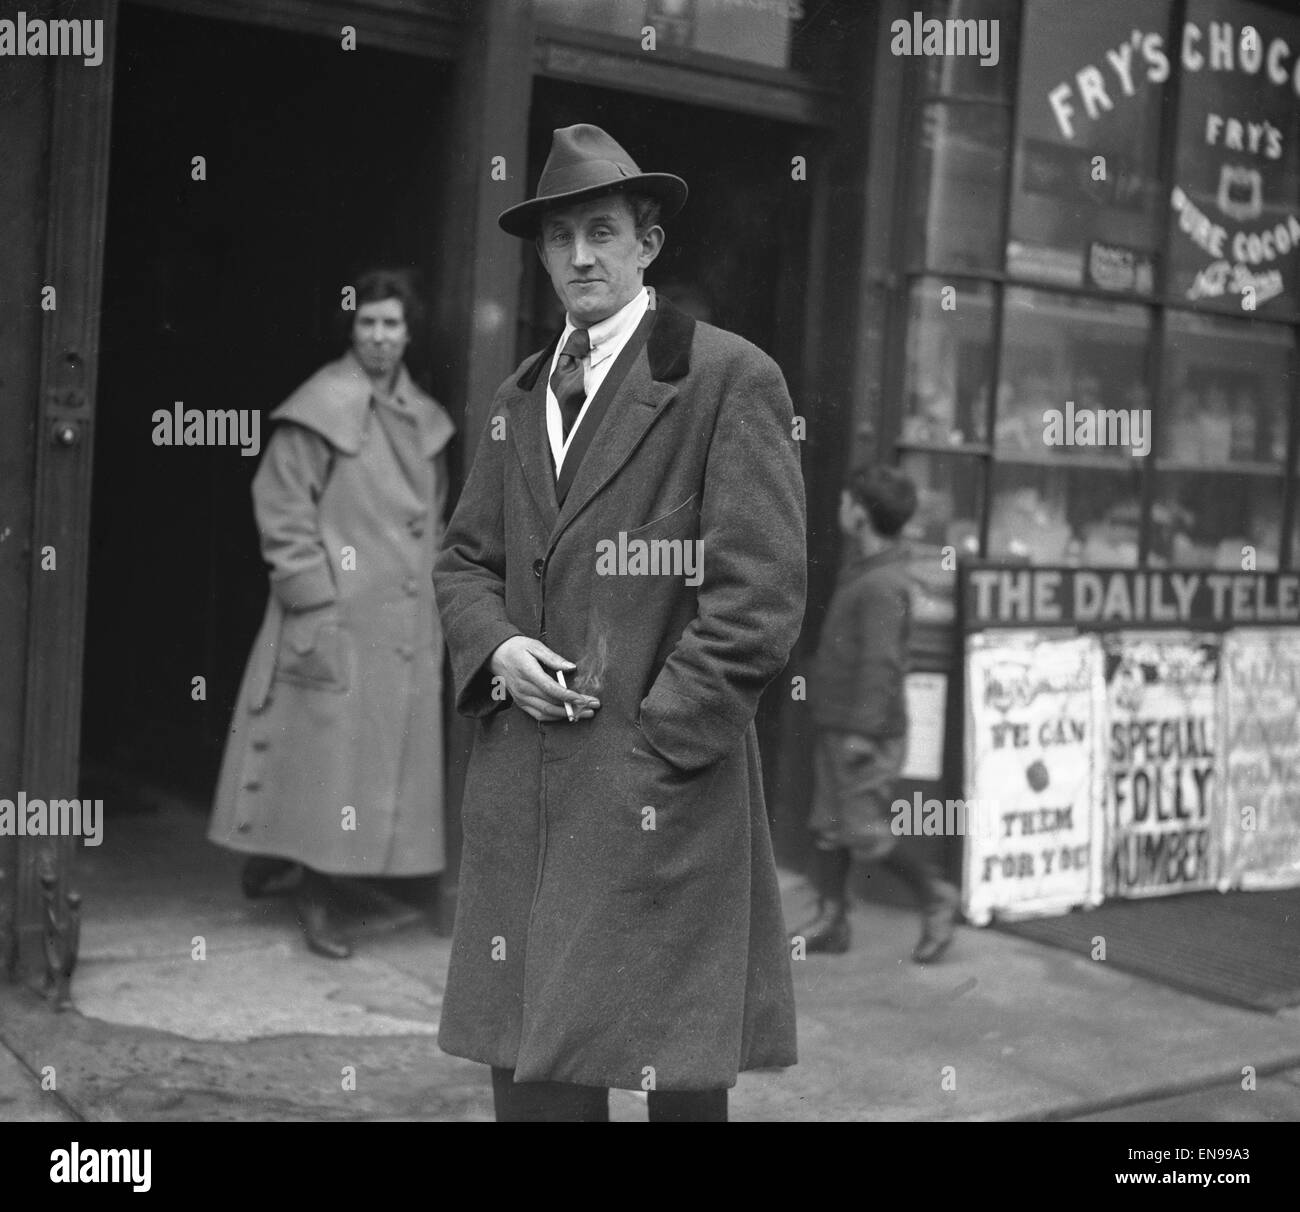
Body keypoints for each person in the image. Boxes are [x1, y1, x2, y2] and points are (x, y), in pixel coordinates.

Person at [433, 124, 806, 1122]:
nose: (580, 257)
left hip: (660, 800)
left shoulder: (724, 377)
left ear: (648, 244)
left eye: (603, 231)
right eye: (561, 239)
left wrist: (658, 743)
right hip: (528, 799)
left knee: (670, 1075)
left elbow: (758, 597)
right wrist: (498, 647)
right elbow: (464, 559)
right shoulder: (518, 397)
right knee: (536, 1078)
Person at [209, 269, 455, 959]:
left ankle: (281, 858)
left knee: (367, 767)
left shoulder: (427, 418)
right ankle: (314, 895)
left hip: (402, 625)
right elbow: (282, 510)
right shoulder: (320, 405)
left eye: (391, 324)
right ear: (352, 329)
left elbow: (432, 524)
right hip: (333, 614)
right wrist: (313, 596)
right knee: (326, 765)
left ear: (409, 333)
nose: (379, 337)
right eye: (367, 323)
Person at [792, 465, 959, 964]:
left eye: (845, 503)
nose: (841, 509)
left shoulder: (883, 583)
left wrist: (862, 734)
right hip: (840, 724)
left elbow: (881, 665)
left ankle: (935, 895)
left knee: (864, 832)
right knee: (828, 823)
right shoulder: (869, 571)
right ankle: (832, 920)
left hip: (865, 732)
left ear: (859, 515)